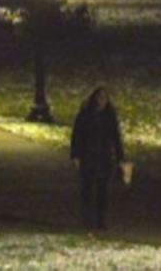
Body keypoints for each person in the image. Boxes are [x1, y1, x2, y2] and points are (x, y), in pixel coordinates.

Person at [70, 86, 125, 232]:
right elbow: (77, 135)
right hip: (88, 156)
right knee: (87, 189)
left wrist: (120, 157)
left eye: (105, 99)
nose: (102, 101)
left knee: (103, 190)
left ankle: (101, 220)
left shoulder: (109, 116)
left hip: (104, 157)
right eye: (100, 98)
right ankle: (87, 219)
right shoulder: (85, 115)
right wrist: (75, 155)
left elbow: (116, 137)